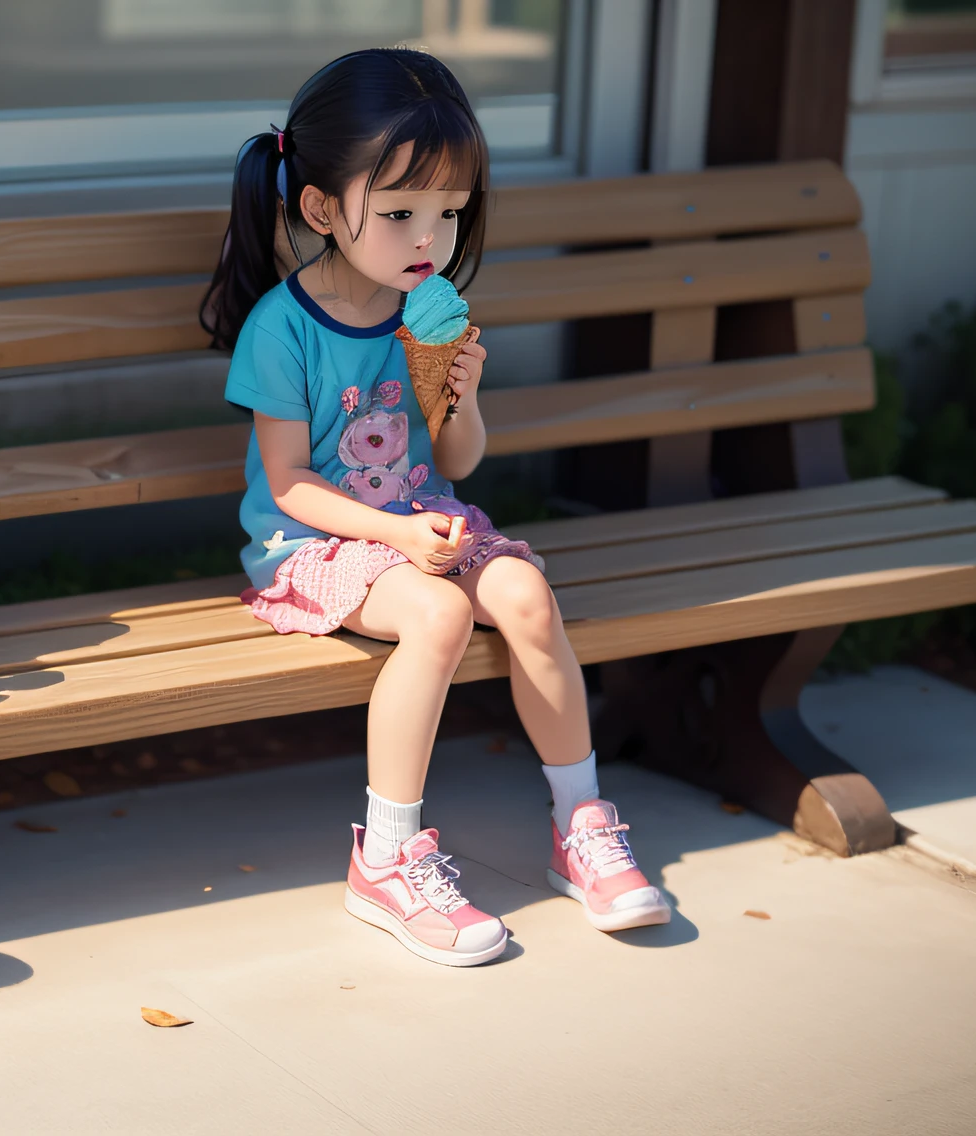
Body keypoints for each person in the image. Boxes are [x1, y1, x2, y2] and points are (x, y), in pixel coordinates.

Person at [200, 48, 672, 967]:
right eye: (404, 211)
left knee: (529, 597)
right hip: (313, 542)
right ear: (323, 208)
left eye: (450, 213)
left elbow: (453, 459)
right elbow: (289, 482)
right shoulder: (282, 329)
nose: (432, 237)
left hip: (422, 521)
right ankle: (386, 859)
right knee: (442, 612)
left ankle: (581, 826)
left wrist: (460, 396)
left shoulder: (430, 315)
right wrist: (396, 533)